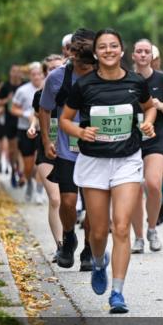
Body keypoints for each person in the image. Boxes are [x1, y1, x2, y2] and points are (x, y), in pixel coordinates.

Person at [61, 28, 156, 315]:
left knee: (121, 226)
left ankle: (117, 292)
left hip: (127, 159)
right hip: (94, 162)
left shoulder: (135, 82)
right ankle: (99, 261)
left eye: (114, 46)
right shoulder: (84, 85)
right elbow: (65, 119)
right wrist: (80, 130)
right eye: (103, 47)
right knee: (98, 231)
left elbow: (149, 108)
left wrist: (148, 122)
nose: (109, 51)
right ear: (97, 52)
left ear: (121, 50)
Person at [41, 29, 96, 270]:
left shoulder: (103, 75)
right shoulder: (57, 78)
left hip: (97, 151)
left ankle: (89, 249)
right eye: (78, 52)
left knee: (95, 206)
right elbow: (44, 109)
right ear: (71, 52)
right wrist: (46, 141)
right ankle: (69, 235)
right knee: (67, 201)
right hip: (67, 150)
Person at [130, 39, 163, 253]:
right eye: (138, 51)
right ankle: (138, 237)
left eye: (146, 52)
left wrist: (159, 105)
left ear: (152, 56)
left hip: (157, 137)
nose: (142, 55)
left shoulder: (162, 79)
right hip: (131, 139)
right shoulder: (126, 79)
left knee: (154, 184)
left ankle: (152, 228)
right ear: (133, 55)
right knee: (135, 190)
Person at [27, 55, 65, 261]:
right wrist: (33, 127)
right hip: (46, 150)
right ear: (45, 73)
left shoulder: (74, 92)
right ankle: (60, 245)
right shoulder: (40, 94)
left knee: (70, 201)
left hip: (70, 151)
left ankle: (73, 241)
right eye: (49, 69)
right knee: (55, 199)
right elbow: (37, 114)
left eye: (58, 68)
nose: (54, 72)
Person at [12, 63, 45, 203]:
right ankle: (30, 184)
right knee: (28, 165)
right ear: (29, 76)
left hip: (42, 130)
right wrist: (26, 114)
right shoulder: (22, 90)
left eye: (39, 74)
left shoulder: (48, 88)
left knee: (40, 163)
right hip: (25, 130)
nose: (37, 76)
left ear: (43, 75)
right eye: (34, 74)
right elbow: (13, 109)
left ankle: (39, 190)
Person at [0, 65, 23, 183]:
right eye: (13, 71)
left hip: (22, 120)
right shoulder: (5, 87)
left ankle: (20, 170)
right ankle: (13, 169)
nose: (15, 73)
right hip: (9, 121)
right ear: (10, 73)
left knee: (20, 147)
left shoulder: (24, 86)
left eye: (18, 71)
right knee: (12, 149)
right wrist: (7, 100)